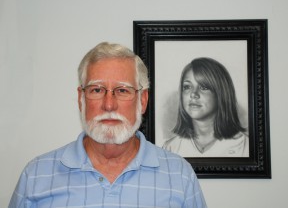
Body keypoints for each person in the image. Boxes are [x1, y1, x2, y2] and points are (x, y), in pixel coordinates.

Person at [9, 42, 207, 208]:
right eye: (96, 90)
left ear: (143, 100)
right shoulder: (36, 176)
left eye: (122, 90)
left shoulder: (179, 176)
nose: (109, 104)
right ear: (81, 99)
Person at [163, 57, 249, 157]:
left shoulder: (244, 147)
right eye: (187, 87)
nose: (193, 94)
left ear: (221, 94)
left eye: (203, 87)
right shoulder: (170, 148)